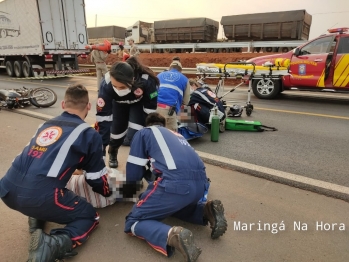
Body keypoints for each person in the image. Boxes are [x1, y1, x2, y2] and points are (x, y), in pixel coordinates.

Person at [0, 85, 111, 261]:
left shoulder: (45, 125)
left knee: (41, 179)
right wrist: (108, 192)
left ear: (62, 104)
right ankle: (54, 244)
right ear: (88, 106)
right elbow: (95, 177)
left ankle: (36, 219)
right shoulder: (89, 134)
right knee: (89, 216)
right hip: (41, 196)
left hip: (6, 189)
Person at [123, 112, 228, 262]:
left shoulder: (144, 133)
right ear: (164, 125)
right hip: (200, 185)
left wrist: (126, 191)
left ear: (148, 125)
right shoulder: (177, 136)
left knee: (133, 221)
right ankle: (205, 211)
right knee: (173, 205)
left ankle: (173, 235)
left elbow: (133, 175)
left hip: (176, 184)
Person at [95, 60, 158, 168]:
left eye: (123, 87)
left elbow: (150, 112)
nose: (119, 90)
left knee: (137, 133)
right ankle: (113, 152)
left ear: (133, 80)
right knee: (116, 133)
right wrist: (101, 156)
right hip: (118, 105)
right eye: (115, 86)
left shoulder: (146, 81)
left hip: (138, 104)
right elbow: (103, 120)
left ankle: (139, 159)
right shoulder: (106, 84)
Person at [156, 60, 191, 132]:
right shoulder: (184, 79)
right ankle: (187, 130)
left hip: (155, 108)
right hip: (169, 111)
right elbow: (186, 101)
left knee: (156, 134)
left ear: (169, 68)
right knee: (172, 136)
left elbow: (152, 93)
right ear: (180, 70)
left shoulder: (159, 75)